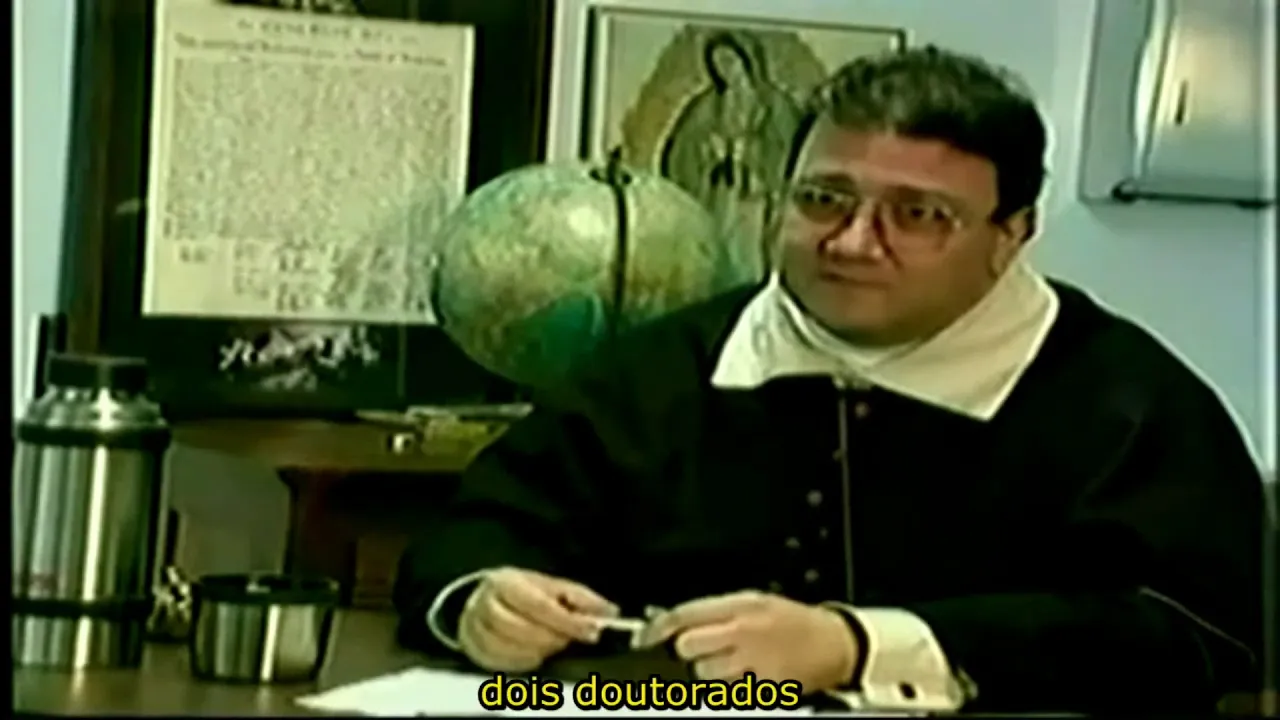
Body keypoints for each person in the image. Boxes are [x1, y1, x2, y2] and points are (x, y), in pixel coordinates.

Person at [394, 46, 1264, 713]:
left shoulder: (1128, 402)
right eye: (822, 199)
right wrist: (478, 599)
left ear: (1012, 233)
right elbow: (479, 529)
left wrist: (859, 646)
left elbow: (1203, 635)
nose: (850, 242)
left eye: (917, 215)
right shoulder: (665, 363)